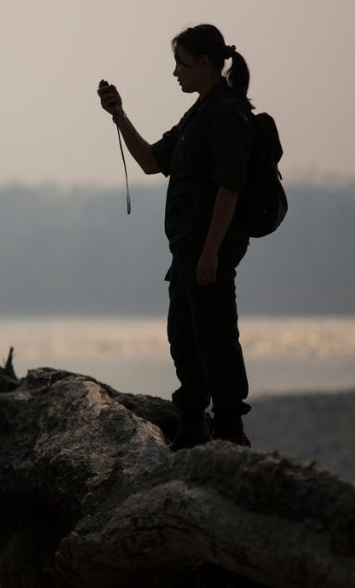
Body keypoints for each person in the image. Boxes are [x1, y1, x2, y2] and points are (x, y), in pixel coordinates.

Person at [96, 24, 254, 450]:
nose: (175, 73)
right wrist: (119, 115)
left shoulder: (224, 112)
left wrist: (211, 253)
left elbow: (230, 186)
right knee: (185, 338)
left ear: (205, 64)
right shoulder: (197, 113)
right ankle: (192, 425)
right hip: (187, 250)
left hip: (208, 249)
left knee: (215, 336)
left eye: (181, 64)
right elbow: (150, 161)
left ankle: (230, 433)